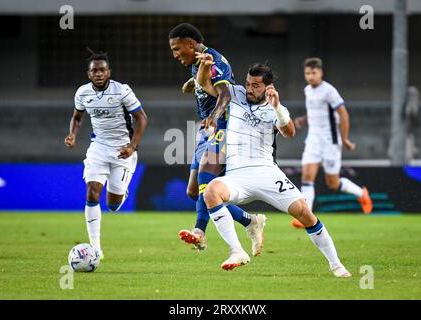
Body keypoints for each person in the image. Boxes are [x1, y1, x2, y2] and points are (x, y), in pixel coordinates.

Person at [195, 55, 351, 277]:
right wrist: (205, 66)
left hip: (266, 173)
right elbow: (203, 84)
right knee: (211, 191)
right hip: (237, 176)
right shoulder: (235, 93)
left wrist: (276, 107)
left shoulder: (275, 108)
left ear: (268, 87)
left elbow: (289, 132)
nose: (249, 89)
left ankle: (336, 264)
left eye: (255, 86)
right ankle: (237, 250)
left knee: (305, 213)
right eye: (248, 83)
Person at [168, 23, 265, 254]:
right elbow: (205, 84)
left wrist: (212, 117)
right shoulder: (200, 62)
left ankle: (199, 232)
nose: (175, 55)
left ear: (190, 44)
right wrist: (192, 84)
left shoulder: (214, 60)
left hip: (224, 125)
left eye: (177, 49)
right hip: (208, 131)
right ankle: (249, 221)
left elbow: (226, 94)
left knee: (206, 177)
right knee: (194, 191)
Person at [64, 49, 148, 259]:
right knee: (92, 191)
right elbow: (77, 117)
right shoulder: (82, 93)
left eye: (102, 70)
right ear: (89, 73)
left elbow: (141, 118)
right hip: (98, 148)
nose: (99, 74)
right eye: (95, 71)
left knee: (112, 205)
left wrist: (132, 146)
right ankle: (95, 248)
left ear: (109, 72)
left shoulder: (122, 91)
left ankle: (121, 192)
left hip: (123, 151)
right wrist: (72, 135)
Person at [291, 57, 372, 228]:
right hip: (313, 140)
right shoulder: (308, 90)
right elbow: (315, 111)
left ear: (321, 73)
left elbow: (344, 114)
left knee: (332, 183)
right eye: (307, 73)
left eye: (313, 73)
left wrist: (344, 139)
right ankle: (306, 216)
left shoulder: (329, 91)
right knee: (307, 176)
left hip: (330, 142)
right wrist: (303, 120)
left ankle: (361, 193)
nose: (310, 76)